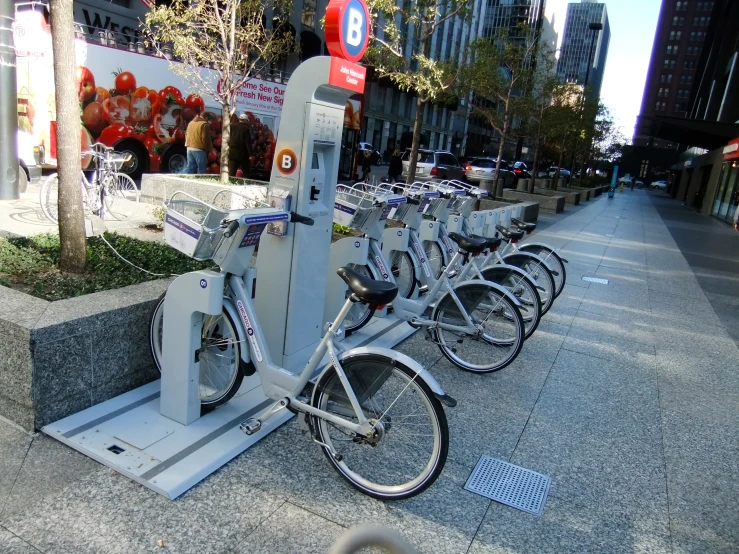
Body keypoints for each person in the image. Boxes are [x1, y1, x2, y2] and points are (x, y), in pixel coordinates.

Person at [183, 107, 212, 174]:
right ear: (206, 117)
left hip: (189, 148)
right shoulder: (204, 124)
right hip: (199, 149)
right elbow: (205, 138)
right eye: (208, 119)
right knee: (201, 169)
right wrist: (208, 149)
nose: (208, 121)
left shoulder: (191, 123)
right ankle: (201, 183)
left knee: (190, 168)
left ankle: (182, 177)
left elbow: (186, 134)